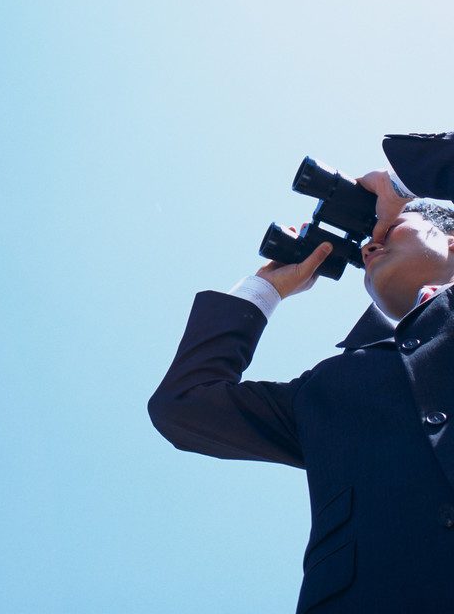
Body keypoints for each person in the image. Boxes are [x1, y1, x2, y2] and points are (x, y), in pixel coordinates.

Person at [148, 132, 454, 614]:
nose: (369, 245)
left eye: (391, 229)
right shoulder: (333, 386)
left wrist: (400, 183)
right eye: (367, 242)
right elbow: (186, 406)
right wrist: (265, 289)